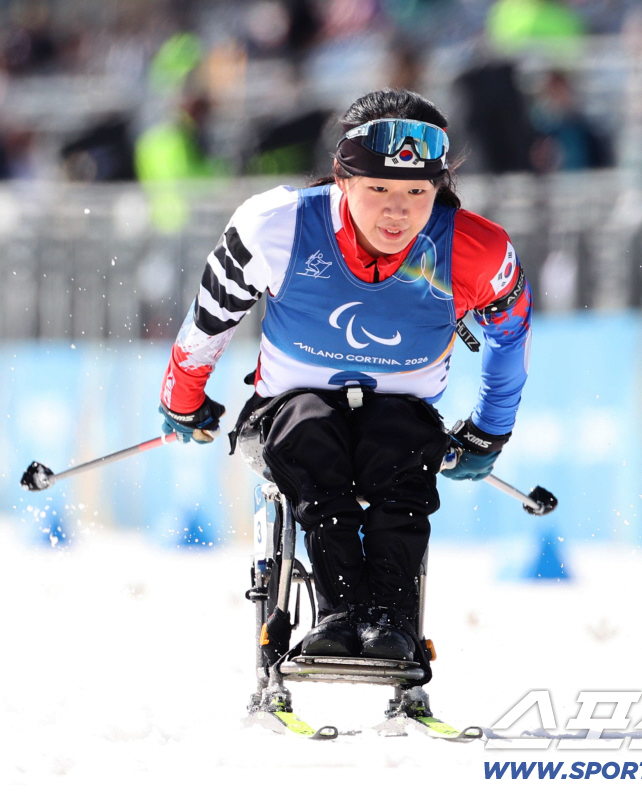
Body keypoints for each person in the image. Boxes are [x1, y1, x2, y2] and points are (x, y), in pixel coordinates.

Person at [156, 89, 532, 665]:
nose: (397, 211)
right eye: (378, 188)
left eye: (416, 192)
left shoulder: (476, 250)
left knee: (397, 441)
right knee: (314, 430)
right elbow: (209, 321)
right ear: (342, 178)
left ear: (438, 188)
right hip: (289, 412)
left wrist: (489, 431)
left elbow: (509, 336)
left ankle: (390, 625)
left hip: (403, 417)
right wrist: (184, 399)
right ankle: (338, 614)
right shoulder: (276, 226)